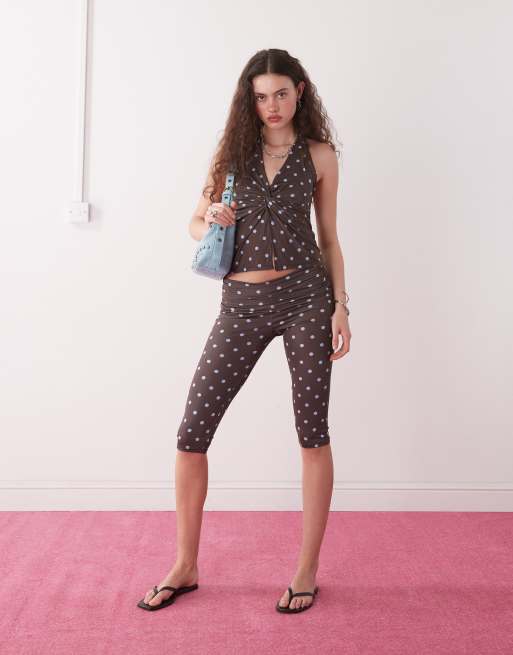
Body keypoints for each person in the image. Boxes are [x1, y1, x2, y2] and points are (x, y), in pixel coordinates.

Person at [138, 48, 351, 614]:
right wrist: (209, 217)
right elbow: (194, 222)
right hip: (241, 304)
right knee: (192, 432)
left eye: (281, 93)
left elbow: (329, 238)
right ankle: (185, 565)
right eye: (260, 96)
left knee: (312, 431)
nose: (271, 105)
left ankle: (306, 571)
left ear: (300, 91)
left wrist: (340, 307)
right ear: (249, 100)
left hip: (306, 298)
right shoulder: (232, 154)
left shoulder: (320, 155)